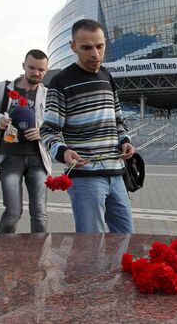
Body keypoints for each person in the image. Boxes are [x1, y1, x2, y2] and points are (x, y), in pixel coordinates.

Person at [40, 19, 134, 233]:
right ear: (73, 46)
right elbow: (48, 130)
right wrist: (63, 152)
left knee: (126, 237)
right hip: (85, 178)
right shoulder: (61, 81)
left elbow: (118, 119)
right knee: (91, 244)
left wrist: (125, 140)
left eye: (100, 46)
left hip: (116, 173)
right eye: (86, 47)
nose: (95, 54)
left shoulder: (107, 76)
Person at [0, 49, 52, 233]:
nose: (36, 73)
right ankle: (1, 255)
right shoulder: (2, 89)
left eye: (41, 70)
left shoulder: (48, 94)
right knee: (13, 213)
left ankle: (38, 258)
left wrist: (42, 131)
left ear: (46, 70)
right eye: (32, 68)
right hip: (10, 158)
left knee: (40, 215)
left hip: (38, 159)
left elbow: (56, 123)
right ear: (23, 66)